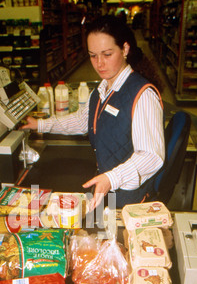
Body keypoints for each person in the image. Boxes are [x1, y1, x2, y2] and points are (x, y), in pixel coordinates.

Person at [21, 15, 165, 211]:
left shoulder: (143, 95)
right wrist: (41, 124)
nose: (99, 64)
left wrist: (111, 178)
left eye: (107, 54)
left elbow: (151, 156)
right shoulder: (102, 89)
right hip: (105, 192)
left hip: (129, 203)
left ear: (125, 49)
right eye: (93, 55)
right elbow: (82, 120)